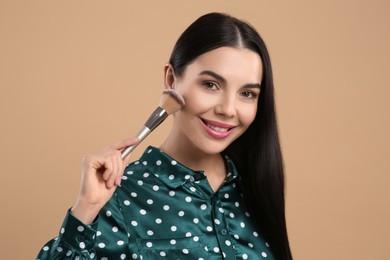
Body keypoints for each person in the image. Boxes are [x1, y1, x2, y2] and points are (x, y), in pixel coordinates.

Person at [37, 12, 293, 260]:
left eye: (247, 93)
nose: (227, 109)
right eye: (210, 85)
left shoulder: (254, 186)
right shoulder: (120, 196)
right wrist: (86, 208)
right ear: (171, 79)